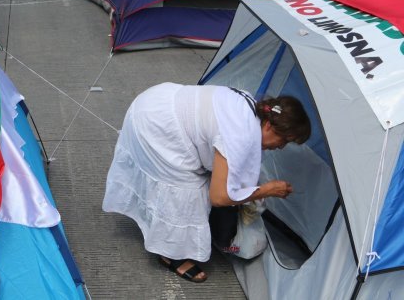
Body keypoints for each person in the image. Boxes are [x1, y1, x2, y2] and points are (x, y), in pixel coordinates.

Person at [103, 83, 310, 283]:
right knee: (188, 191)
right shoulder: (241, 135)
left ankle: (162, 225)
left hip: (157, 101)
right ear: (268, 125)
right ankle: (171, 255)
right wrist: (266, 190)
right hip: (157, 126)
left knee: (204, 180)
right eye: (285, 140)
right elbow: (219, 197)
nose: (282, 147)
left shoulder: (249, 107)